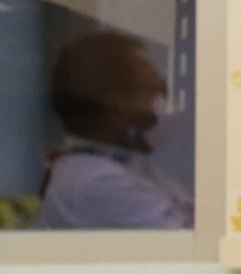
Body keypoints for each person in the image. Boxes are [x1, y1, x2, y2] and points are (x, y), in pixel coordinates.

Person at [32, 31, 192, 230]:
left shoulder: (120, 166)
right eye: (154, 90)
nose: (162, 105)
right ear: (118, 104)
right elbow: (193, 240)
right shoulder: (98, 182)